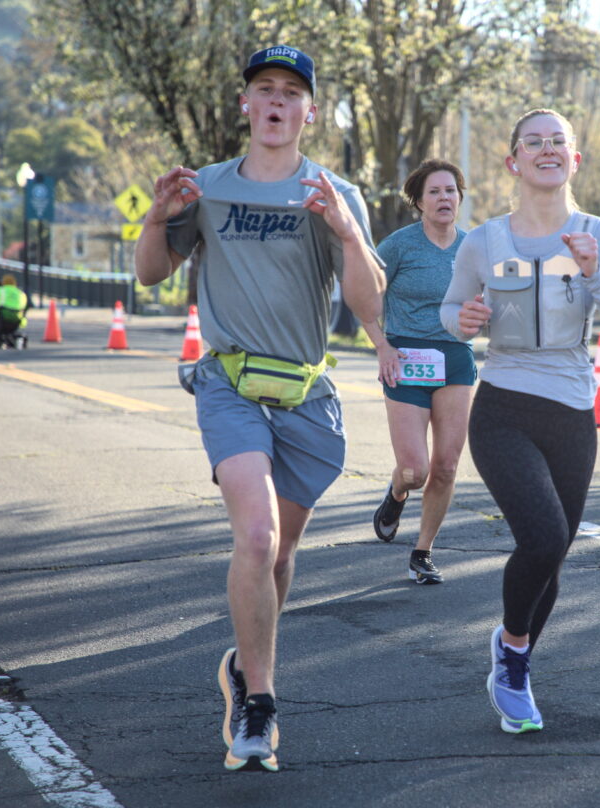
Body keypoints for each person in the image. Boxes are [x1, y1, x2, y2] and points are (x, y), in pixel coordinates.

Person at [134, 45, 384, 773]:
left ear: (310, 111)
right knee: (256, 536)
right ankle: (260, 707)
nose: (277, 101)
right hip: (230, 384)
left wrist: (346, 231)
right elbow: (151, 273)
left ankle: (243, 666)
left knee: (280, 552)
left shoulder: (333, 193)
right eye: (264, 89)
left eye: (291, 92)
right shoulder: (204, 187)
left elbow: (370, 304)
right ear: (245, 104)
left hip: (306, 393)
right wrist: (157, 219)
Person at [440, 108, 600, 734]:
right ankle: (512, 657)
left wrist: (596, 274)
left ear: (575, 159)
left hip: (572, 411)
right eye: (533, 142)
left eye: (558, 141)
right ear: (514, 161)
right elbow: (450, 310)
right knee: (542, 537)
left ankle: (515, 655)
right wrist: (464, 322)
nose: (547, 149)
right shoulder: (482, 240)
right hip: (502, 405)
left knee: (553, 554)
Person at [363, 159, 475, 585]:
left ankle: (423, 552)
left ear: (460, 198)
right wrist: (382, 346)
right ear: (419, 201)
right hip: (405, 358)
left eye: (451, 190)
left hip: (455, 359)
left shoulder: (472, 247)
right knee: (415, 470)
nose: (444, 198)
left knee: (446, 466)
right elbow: (363, 297)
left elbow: (492, 301)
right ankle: (396, 495)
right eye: (435, 192)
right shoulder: (397, 247)